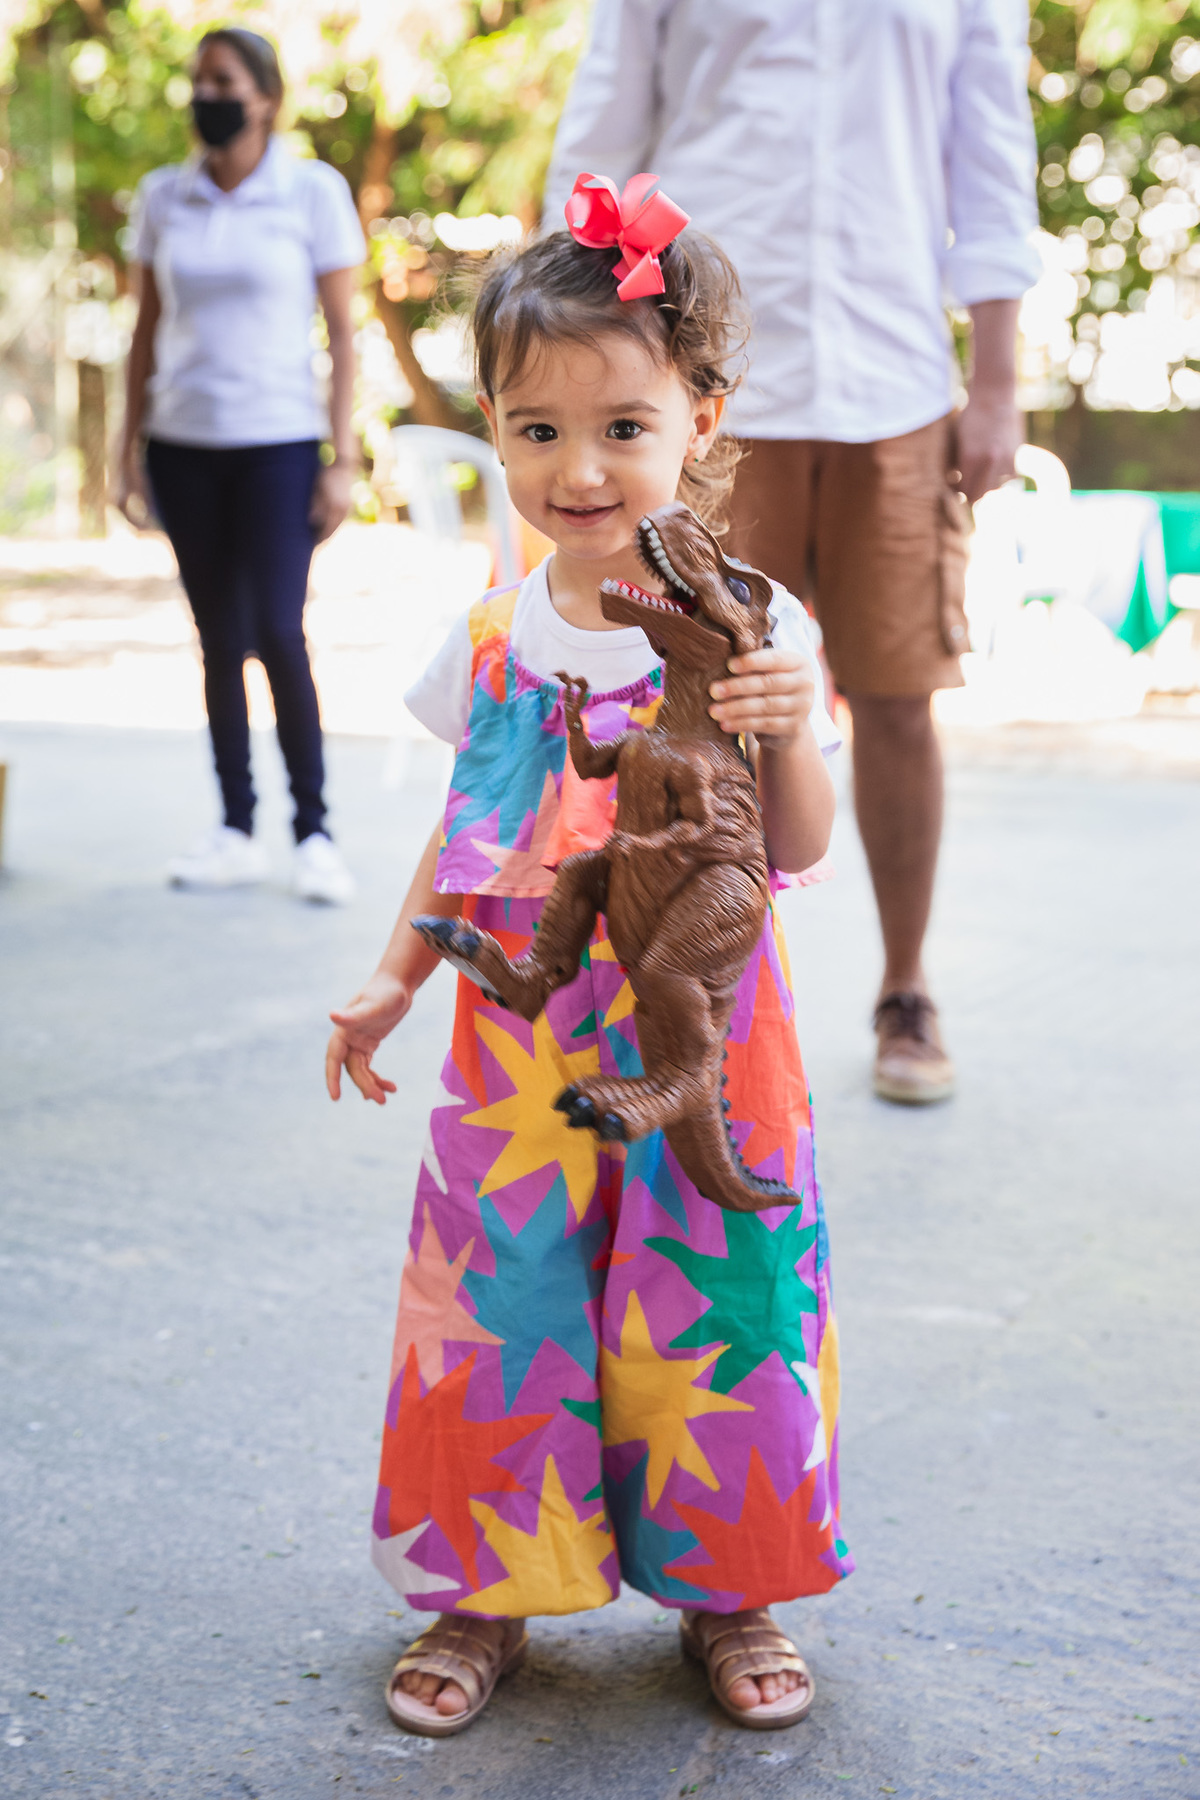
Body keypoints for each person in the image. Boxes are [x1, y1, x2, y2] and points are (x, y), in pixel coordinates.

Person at [325, 175, 851, 1737]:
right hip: (519, 1046)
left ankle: (729, 1582)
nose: (578, 467)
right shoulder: (492, 636)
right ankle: (482, 1597)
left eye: (623, 426)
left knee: (721, 1285)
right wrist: (395, 975)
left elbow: (805, 842)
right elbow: (463, 829)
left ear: (702, 416)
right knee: (503, 1299)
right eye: (537, 427)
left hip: (708, 1027)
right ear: (495, 425)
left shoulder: (749, 620)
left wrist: (781, 726)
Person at [544, 0, 1040, 1103]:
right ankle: (698, 1006)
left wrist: (998, 380)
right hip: (708, 384)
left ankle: (904, 988)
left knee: (900, 695)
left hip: (894, 380)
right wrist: (584, 367)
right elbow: (604, 137)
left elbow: (991, 157)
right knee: (693, 706)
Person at [118, 28, 364, 904]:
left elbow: (343, 334)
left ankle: (314, 831)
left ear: (264, 96)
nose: (204, 94)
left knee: (277, 631)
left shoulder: (311, 192)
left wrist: (343, 459)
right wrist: (126, 452)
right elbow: (144, 331)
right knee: (217, 637)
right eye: (198, 79)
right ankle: (234, 825)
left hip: (279, 444)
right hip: (182, 445)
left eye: (221, 80)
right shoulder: (163, 196)